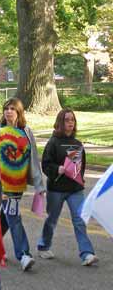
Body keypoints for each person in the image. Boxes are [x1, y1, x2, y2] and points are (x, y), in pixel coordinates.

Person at [0, 98, 45, 271]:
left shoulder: (26, 132)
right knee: (13, 215)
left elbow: (33, 159)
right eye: (6, 108)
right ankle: (24, 255)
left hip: (18, 184)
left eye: (13, 108)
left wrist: (39, 185)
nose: (9, 111)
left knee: (6, 218)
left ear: (19, 112)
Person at [37, 109, 98, 266]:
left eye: (72, 120)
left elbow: (80, 166)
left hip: (75, 189)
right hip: (56, 189)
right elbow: (45, 165)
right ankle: (43, 246)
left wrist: (79, 177)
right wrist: (57, 169)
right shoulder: (53, 143)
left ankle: (87, 253)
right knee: (52, 219)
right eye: (67, 120)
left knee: (79, 220)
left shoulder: (77, 144)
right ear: (60, 123)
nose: (70, 123)